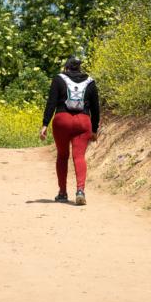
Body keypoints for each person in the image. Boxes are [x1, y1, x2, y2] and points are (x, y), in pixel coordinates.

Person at [39, 56, 100, 205]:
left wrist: (45, 124)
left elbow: (51, 102)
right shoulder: (90, 82)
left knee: (62, 156)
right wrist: (94, 128)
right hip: (83, 122)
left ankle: (62, 193)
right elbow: (95, 108)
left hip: (62, 121)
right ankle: (80, 191)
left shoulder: (59, 79)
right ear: (79, 67)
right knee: (79, 157)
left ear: (67, 66)